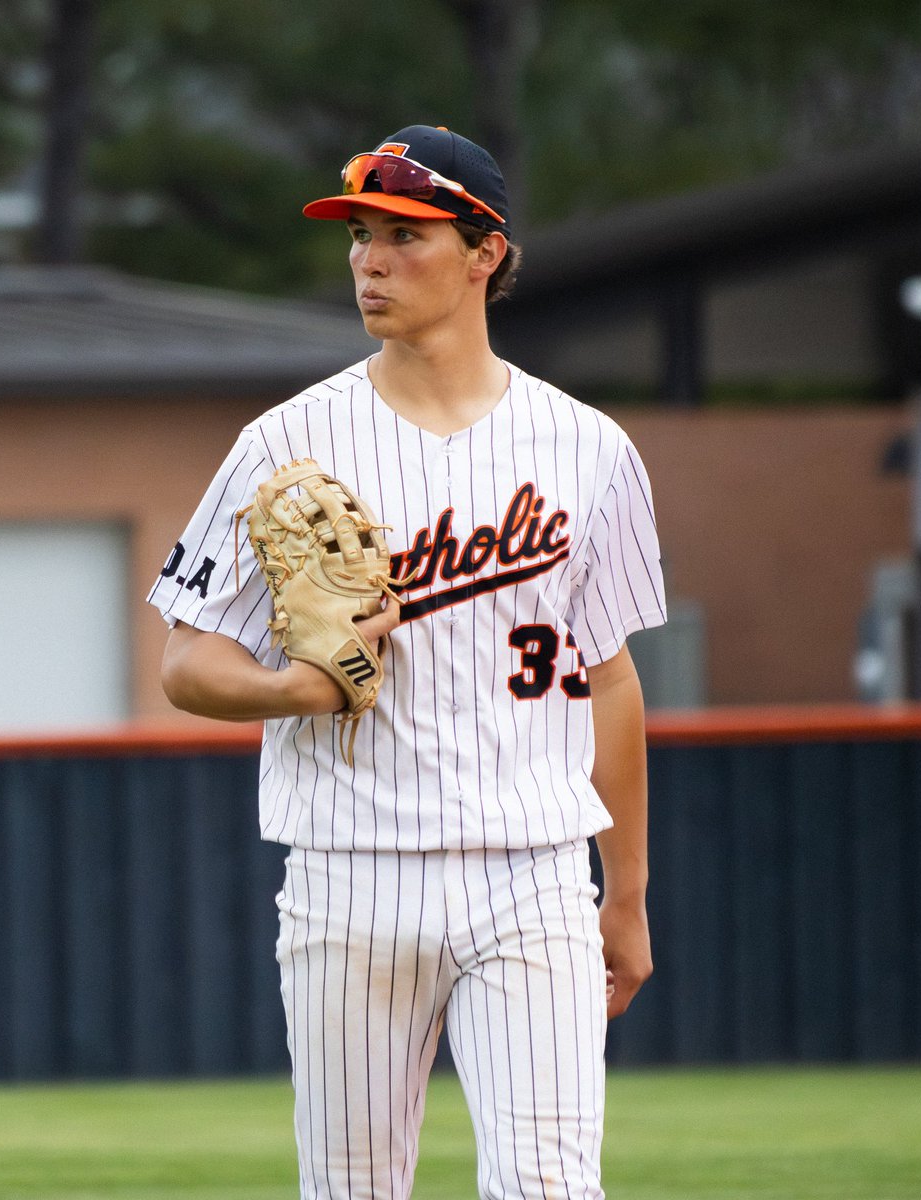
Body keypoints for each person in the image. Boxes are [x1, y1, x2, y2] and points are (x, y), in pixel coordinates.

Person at [149, 124, 667, 1200]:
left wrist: (626, 893)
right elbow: (185, 662)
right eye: (358, 238)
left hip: (532, 873)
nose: (369, 262)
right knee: (351, 1189)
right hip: (349, 870)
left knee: (551, 1187)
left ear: (485, 253)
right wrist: (290, 687)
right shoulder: (285, 444)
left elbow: (608, 679)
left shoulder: (590, 449)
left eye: (404, 236)